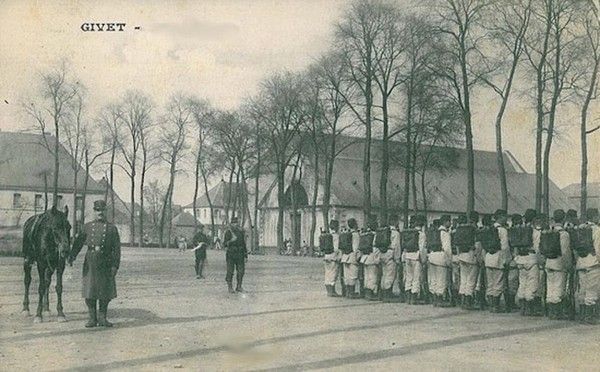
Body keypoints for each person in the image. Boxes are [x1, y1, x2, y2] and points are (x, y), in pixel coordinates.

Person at [69, 200, 121, 328]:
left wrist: (115, 266)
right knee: (90, 290)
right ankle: (92, 318)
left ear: (106, 212)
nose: (100, 213)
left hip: (106, 262)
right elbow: (78, 243)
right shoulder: (87, 227)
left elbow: (117, 249)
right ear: (94, 211)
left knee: (105, 291)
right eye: (98, 210)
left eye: (102, 210)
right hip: (91, 261)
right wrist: (72, 256)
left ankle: (102, 318)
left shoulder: (112, 229)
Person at [544, 209, 573, 320]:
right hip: (559, 263)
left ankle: (551, 311)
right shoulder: (563, 234)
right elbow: (565, 251)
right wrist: (568, 265)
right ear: (564, 218)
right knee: (558, 288)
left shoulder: (548, 232)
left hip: (548, 262)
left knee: (550, 287)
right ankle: (556, 313)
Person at [574, 208, 600, 324]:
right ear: (595, 217)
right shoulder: (597, 230)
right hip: (593, 263)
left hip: (581, 263)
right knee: (592, 290)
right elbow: (598, 248)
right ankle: (589, 317)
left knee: (583, 289)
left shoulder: (580, 229)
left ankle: (582, 315)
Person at [485, 209, 509, 313]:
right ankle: (495, 306)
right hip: (498, 257)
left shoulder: (489, 228)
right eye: (505, 216)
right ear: (501, 217)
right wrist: (506, 259)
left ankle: (491, 305)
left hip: (488, 257)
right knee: (498, 282)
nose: (506, 218)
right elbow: (505, 246)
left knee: (490, 283)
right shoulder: (503, 230)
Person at [428, 215, 452, 307]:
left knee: (433, 278)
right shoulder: (445, 233)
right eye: (449, 221)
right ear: (445, 222)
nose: (450, 223)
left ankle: (434, 298)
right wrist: (449, 261)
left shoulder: (435, 232)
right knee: (441, 279)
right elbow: (447, 249)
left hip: (432, 255)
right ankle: (439, 299)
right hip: (441, 257)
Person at [224, 217, 248, 293]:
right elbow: (224, 244)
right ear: (231, 224)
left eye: (237, 223)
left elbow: (243, 244)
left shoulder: (240, 232)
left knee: (241, 271)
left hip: (240, 254)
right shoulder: (228, 232)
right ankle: (230, 287)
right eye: (234, 223)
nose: (236, 224)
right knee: (230, 271)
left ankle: (239, 286)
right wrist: (231, 240)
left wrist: (245, 255)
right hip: (231, 254)